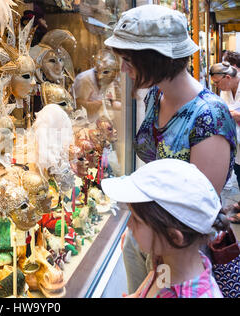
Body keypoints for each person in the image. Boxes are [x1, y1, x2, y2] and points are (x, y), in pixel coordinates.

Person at [103, 4, 237, 294]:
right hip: (152, 242)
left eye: (128, 59)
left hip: (177, 260)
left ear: (155, 60)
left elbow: (194, 218)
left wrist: (153, 257)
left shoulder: (208, 117)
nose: (124, 68)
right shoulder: (155, 95)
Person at [101, 159, 228, 298]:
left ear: (174, 237)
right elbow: (160, 281)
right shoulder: (168, 261)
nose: (128, 225)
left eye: (136, 220)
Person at [210, 60, 240, 223]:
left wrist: (237, 116)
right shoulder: (226, 91)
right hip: (235, 139)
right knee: (238, 170)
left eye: (217, 83)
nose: (217, 87)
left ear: (227, 77)